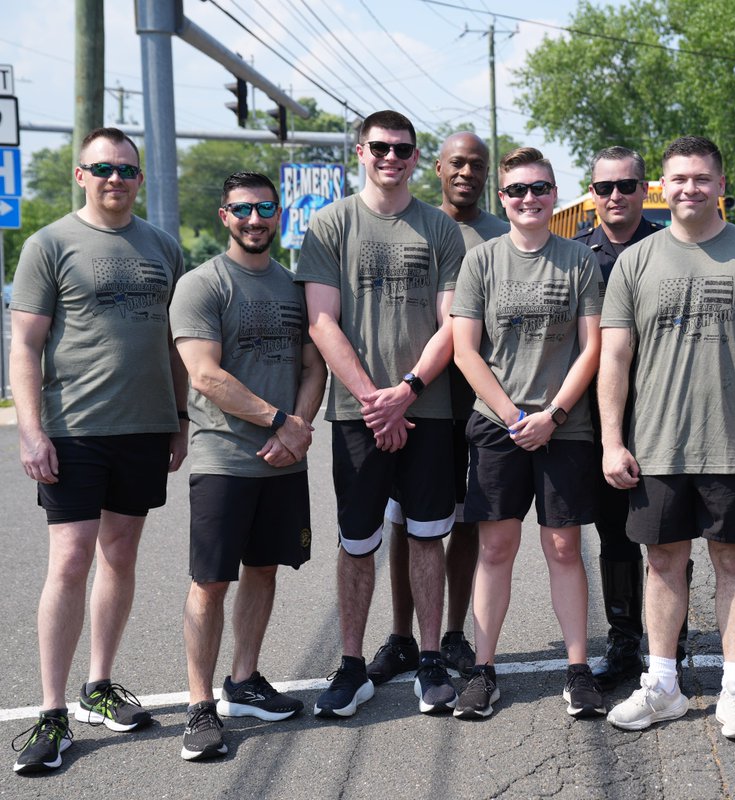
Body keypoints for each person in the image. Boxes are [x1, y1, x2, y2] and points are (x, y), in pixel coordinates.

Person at [601, 135, 735, 741]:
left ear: (720, 184)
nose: (690, 188)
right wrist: (612, 440)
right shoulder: (637, 260)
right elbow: (614, 356)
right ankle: (662, 686)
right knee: (662, 564)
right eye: (678, 178)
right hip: (657, 444)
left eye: (701, 178)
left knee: (734, 562)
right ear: (663, 186)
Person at [9, 127, 188, 774]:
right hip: (73, 428)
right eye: (104, 168)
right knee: (71, 559)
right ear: (81, 175)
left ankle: (99, 687)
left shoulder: (164, 247)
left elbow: (176, 342)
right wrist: (32, 430)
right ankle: (52, 711)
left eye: (128, 170)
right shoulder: (49, 243)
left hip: (143, 428)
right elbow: (25, 346)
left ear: (141, 179)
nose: (117, 178)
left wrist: (180, 416)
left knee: (119, 554)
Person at [295, 110, 465, 718]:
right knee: (358, 540)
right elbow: (320, 320)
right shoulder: (330, 224)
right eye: (381, 148)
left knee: (425, 536)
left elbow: (452, 324)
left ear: (417, 157)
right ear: (360, 153)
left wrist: (408, 390)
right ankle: (350, 666)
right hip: (356, 415)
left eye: (403, 148)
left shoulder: (440, 230)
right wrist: (374, 398)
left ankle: (430, 661)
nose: (392, 157)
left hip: (428, 408)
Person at [171, 172, 327, 761]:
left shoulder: (294, 287)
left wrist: (300, 427)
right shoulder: (201, 284)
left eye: (265, 208)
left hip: (283, 460)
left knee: (264, 569)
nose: (255, 219)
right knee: (210, 582)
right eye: (243, 209)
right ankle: (199, 706)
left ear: (280, 213)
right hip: (224, 459)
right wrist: (277, 421)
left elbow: (314, 367)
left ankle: (244, 681)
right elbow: (204, 375)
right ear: (224, 215)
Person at [449, 146, 604, 720]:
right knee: (495, 546)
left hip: (565, 426)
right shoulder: (482, 262)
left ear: (554, 194)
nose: (528, 199)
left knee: (563, 546)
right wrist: (516, 418)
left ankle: (578, 669)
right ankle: (483, 670)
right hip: (498, 425)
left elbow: (593, 348)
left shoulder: (579, 260)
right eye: (516, 190)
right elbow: (466, 352)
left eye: (539, 188)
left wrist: (554, 416)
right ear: (502, 199)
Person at [374, 131, 509, 682]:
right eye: (457, 163)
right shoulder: (419, 224)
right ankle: (403, 636)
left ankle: (453, 633)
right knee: (408, 521)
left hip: (479, 403)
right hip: (421, 400)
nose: (466, 173)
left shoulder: (504, 234)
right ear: (437, 167)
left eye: (476, 165)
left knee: (467, 521)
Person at [571, 145, 692, 690]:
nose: (615, 196)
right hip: (601, 418)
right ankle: (624, 641)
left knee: (671, 534)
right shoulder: (575, 256)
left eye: (626, 186)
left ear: (648, 190)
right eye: (604, 187)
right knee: (614, 533)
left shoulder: (673, 247)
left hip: (667, 413)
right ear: (591, 193)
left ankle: (674, 642)